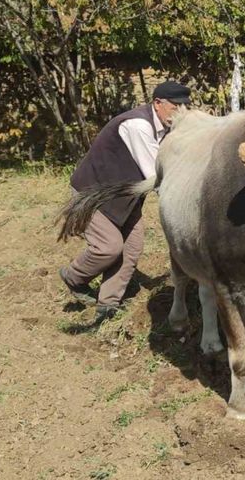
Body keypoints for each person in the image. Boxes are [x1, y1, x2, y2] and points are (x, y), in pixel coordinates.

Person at [59, 80, 191, 320]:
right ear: (158, 103)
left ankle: (108, 304)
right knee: (108, 247)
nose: (181, 113)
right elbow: (156, 175)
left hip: (124, 197)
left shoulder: (166, 127)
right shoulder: (138, 125)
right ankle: (74, 277)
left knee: (132, 248)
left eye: (185, 107)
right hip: (94, 194)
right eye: (176, 107)